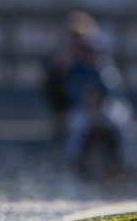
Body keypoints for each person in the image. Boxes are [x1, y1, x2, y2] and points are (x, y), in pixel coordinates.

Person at [59, 18, 136, 178]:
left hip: (104, 107)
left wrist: (99, 97)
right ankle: (72, 162)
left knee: (121, 120)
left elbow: (115, 91)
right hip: (85, 108)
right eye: (88, 50)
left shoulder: (105, 67)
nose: (91, 54)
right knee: (75, 124)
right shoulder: (78, 67)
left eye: (93, 50)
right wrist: (84, 98)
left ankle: (128, 161)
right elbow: (70, 90)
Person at [42, 11, 99, 143]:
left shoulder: (95, 57)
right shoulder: (61, 57)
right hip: (66, 107)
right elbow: (51, 87)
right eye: (74, 36)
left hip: (92, 110)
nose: (77, 41)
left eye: (80, 37)